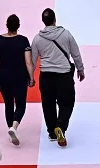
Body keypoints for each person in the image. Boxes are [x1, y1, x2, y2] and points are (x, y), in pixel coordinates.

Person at [30, 8, 84, 147]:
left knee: (48, 104)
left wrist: (30, 77)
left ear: (43, 21)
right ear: (55, 19)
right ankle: (61, 126)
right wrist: (80, 69)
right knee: (67, 103)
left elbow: (32, 61)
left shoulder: (37, 39)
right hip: (64, 75)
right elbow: (75, 53)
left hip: (46, 77)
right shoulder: (66, 34)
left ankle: (52, 133)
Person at [0, 15, 34, 145]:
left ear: (7, 25)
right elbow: (28, 62)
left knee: (8, 103)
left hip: (2, 76)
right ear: (18, 26)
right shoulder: (23, 41)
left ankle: (10, 129)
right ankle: (14, 127)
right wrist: (31, 78)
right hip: (19, 76)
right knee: (21, 104)